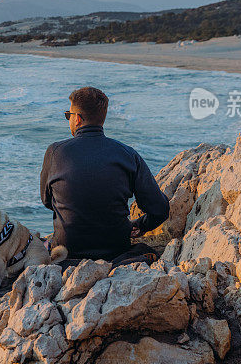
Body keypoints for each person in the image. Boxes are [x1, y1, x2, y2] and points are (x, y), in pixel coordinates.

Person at [40, 86, 169, 261]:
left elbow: (48, 201)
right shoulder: (128, 154)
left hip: (67, 251)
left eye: (68, 116)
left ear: (77, 119)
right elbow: (160, 209)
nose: (68, 120)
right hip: (115, 250)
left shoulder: (55, 152)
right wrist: (141, 225)